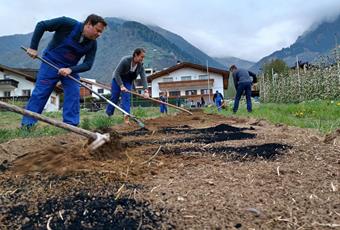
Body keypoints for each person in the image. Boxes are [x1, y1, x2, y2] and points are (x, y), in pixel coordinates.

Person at [21, 14, 107, 128]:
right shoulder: (67, 23)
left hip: (70, 69)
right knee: (41, 93)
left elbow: (88, 64)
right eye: (98, 30)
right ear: (89, 24)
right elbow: (42, 25)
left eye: (101, 32)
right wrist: (33, 47)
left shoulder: (92, 44)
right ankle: (27, 125)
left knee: (74, 91)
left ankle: (71, 126)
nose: (99, 34)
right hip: (50, 63)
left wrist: (70, 69)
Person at [106, 48, 149, 124]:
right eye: (141, 57)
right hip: (117, 79)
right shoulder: (125, 61)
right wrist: (121, 86)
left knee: (126, 98)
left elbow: (143, 77)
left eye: (143, 57)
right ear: (136, 55)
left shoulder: (140, 66)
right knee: (114, 97)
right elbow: (117, 73)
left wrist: (146, 90)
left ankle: (126, 117)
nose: (143, 59)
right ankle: (108, 115)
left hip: (128, 81)